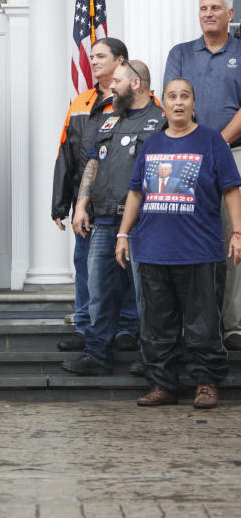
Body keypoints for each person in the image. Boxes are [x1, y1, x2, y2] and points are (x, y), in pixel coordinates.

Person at [116, 77, 241, 409]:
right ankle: (162, 384)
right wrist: (123, 234)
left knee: (202, 326)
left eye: (185, 96)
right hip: (154, 250)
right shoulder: (152, 145)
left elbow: (231, 189)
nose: (178, 102)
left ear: (193, 104)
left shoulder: (212, 141)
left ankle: (205, 383)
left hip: (200, 251)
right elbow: (135, 192)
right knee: (157, 326)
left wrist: (238, 233)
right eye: (172, 96)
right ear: (165, 104)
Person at [63, 59, 161, 377]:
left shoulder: (160, 120)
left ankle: (150, 356)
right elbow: (92, 163)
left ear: (135, 84)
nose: (111, 86)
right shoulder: (109, 120)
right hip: (103, 220)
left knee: (146, 293)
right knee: (98, 289)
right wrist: (80, 206)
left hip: (144, 222)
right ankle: (97, 353)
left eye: (117, 81)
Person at [164, 0, 241, 351]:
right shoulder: (180, 53)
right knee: (187, 240)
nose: (208, 13)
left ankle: (232, 326)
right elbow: (174, 99)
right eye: (203, 8)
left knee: (232, 240)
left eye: (215, 8)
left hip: (233, 153)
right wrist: (197, 144)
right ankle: (187, 326)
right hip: (186, 156)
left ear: (229, 13)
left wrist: (218, 143)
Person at [52, 38, 123, 352]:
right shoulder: (80, 101)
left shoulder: (137, 100)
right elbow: (65, 153)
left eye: (100, 56)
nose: (93, 61)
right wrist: (60, 203)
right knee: (83, 265)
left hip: (121, 203)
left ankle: (124, 329)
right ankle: (84, 326)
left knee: (120, 269)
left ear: (120, 60)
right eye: (91, 56)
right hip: (85, 204)